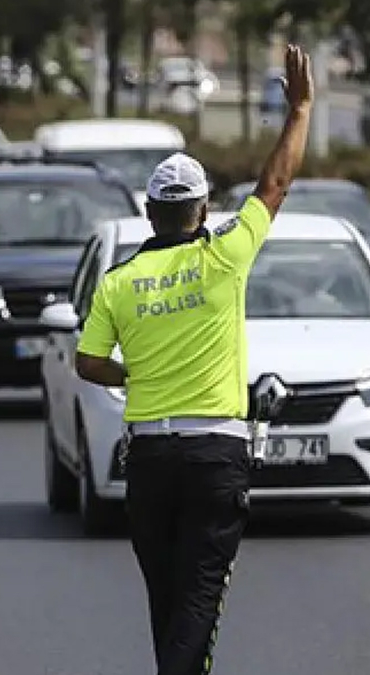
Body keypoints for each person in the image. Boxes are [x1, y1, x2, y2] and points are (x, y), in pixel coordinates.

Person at [73, 44, 314, 675]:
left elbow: (88, 362)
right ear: (203, 210)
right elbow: (276, 182)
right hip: (215, 456)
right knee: (199, 600)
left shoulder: (120, 280)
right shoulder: (226, 256)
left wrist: (137, 374)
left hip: (150, 459)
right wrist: (301, 109)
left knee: (168, 599)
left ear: (150, 213)